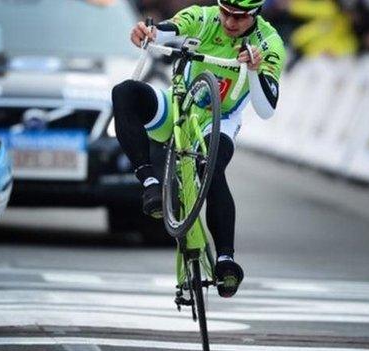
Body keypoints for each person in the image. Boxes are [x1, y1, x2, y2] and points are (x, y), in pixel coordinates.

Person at [112, 0, 285, 297]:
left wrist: (255, 71)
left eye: (240, 18)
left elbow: (266, 109)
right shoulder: (204, 18)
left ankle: (226, 261)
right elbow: (169, 29)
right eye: (225, 13)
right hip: (179, 106)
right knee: (124, 92)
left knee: (212, 166)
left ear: (256, 15)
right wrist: (148, 33)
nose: (230, 23)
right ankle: (151, 183)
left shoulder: (268, 42)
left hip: (221, 120)